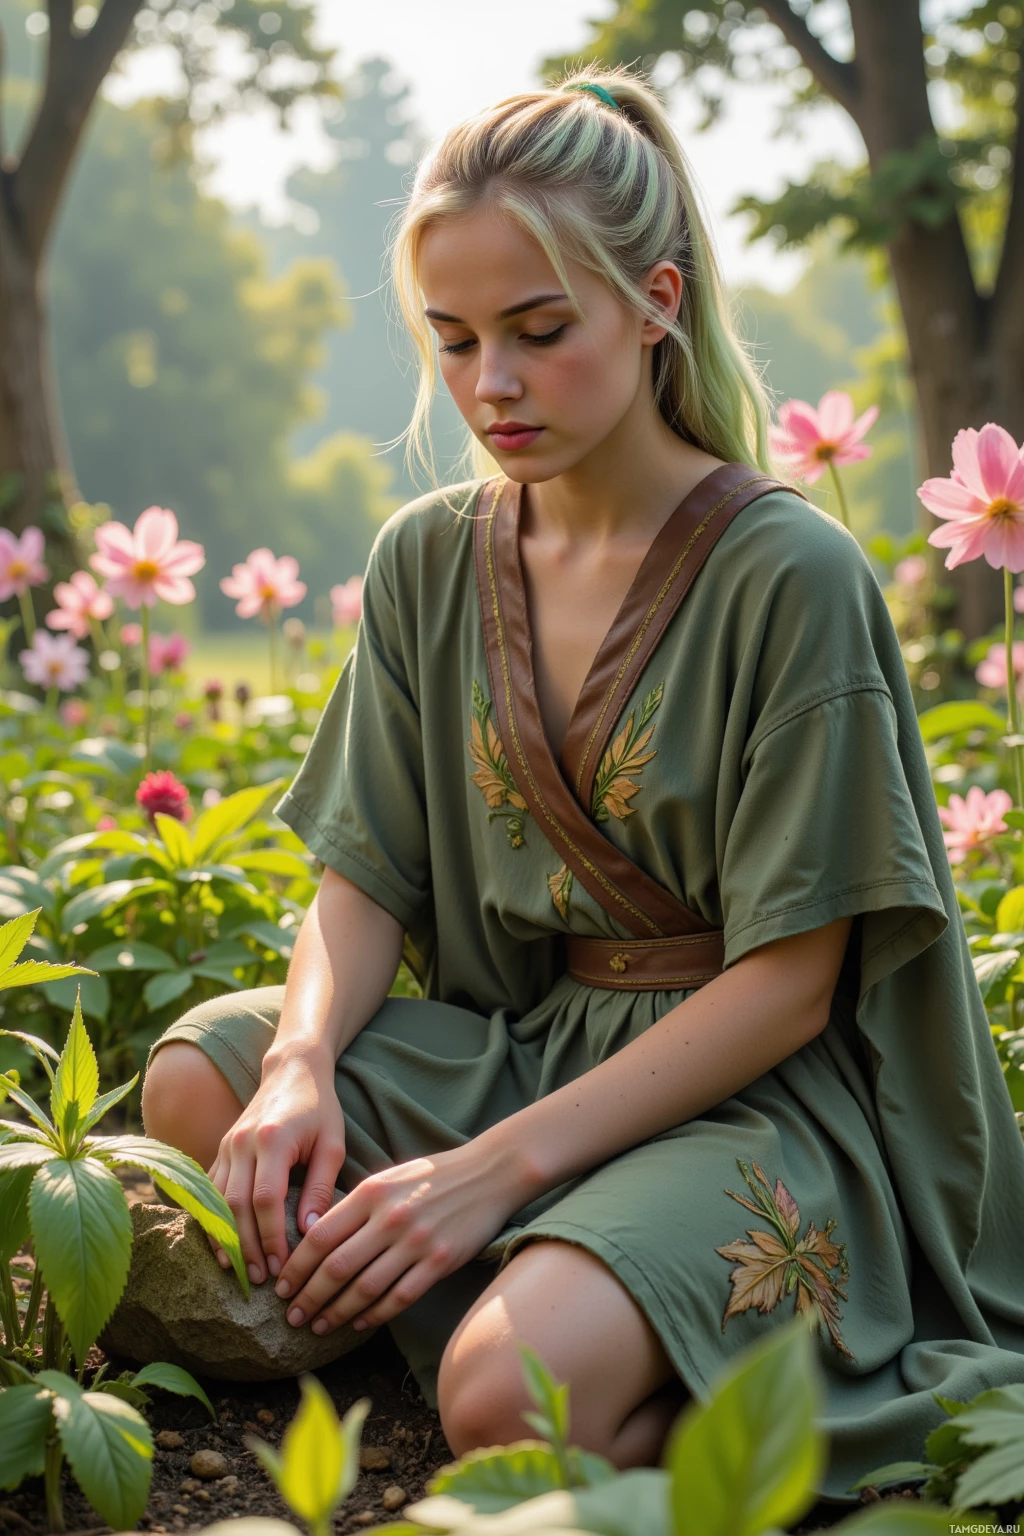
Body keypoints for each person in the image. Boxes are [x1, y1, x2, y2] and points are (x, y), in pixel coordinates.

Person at [141, 65, 1024, 1503]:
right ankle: (554, 1289)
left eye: (541, 332)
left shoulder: (789, 575)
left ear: (657, 300)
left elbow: (795, 982)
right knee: (201, 1094)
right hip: (527, 1043)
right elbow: (366, 873)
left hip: (755, 1101)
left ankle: (598, 1348)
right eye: (455, 339)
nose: (492, 384)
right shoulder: (430, 558)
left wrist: (488, 1173)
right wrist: (301, 1062)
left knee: (502, 1393)